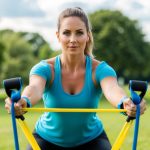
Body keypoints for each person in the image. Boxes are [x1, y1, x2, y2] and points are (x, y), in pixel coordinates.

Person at [5, 7, 146, 150]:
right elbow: (34, 88)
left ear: (88, 36)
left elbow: (112, 90)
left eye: (79, 33)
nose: (73, 40)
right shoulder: (45, 68)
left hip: (91, 139)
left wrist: (125, 103)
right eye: (66, 33)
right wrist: (24, 100)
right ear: (58, 36)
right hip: (47, 139)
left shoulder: (101, 70)